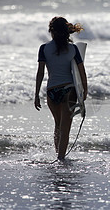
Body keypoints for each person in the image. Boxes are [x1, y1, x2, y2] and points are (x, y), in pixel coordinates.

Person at [34, 16, 88, 161]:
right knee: (65, 129)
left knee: (58, 125)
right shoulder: (73, 49)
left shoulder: (44, 48)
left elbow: (40, 73)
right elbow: (81, 72)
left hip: (51, 91)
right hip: (69, 90)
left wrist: (36, 94)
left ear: (51, 31)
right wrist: (84, 91)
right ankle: (60, 159)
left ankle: (59, 156)